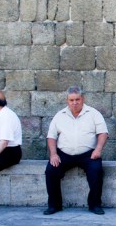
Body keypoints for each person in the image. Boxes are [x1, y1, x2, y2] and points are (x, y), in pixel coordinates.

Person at [44, 86, 109, 215]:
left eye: (77, 99)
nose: (74, 103)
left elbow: (103, 133)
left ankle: (95, 205)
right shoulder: (59, 115)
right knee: (51, 171)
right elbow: (51, 137)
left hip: (88, 154)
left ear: (82, 99)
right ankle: (54, 205)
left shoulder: (93, 113)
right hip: (64, 154)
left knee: (96, 171)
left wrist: (98, 150)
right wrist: (53, 154)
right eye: (71, 100)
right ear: (67, 101)